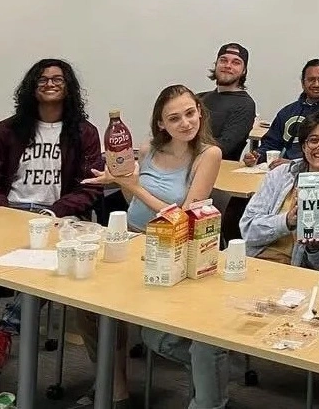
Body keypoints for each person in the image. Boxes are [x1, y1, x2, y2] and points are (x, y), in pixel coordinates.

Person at [82, 84, 223, 407]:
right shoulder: (148, 150)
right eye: (175, 118)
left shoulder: (208, 154)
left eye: (190, 113)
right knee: (88, 309)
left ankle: (211, 369)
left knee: (154, 334)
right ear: (161, 124)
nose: (186, 123)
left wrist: (130, 185)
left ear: (200, 111)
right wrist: (121, 180)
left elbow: (186, 218)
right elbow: (135, 202)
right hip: (131, 239)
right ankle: (113, 388)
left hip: (171, 249)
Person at [0, 59, 102, 394]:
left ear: (68, 87)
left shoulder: (84, 132)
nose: (50, 83)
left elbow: (90, 186)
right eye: (42, 79)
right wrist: (6, 210)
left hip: (57, 215)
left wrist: (52, 211)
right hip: (8, 209)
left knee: (54, 261)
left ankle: (4, 328)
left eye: (58, 78)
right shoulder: (8, 129)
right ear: (31, 86)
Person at [239, 111, 319, 273]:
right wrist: (287, 221)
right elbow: (247, 230)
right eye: (313, 140)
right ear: (304, 146)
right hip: (254, 265)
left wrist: (317, 249)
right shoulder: (279, 176)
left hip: (298, 278)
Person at [242, 59, 319, 167]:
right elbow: (271, 143)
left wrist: (296, 164)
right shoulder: (288, 112)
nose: (316, 84)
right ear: (302, 83)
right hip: (282, 172)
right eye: (311, 79)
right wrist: (257, 156)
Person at [198, 43, 257, 161]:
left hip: (218, 171)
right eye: (223, 60)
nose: (228, 66)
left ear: (244, 71)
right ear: (216, 65)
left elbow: (224, 147)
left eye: (236, 62)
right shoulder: (199, 98)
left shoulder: (245, 105)